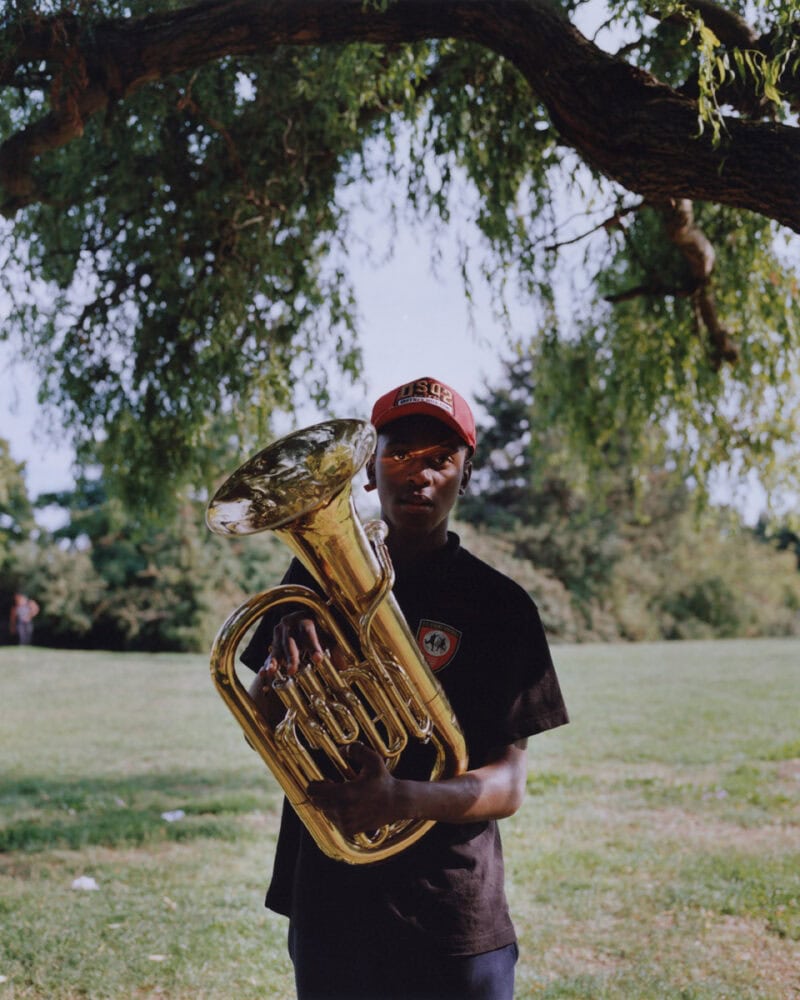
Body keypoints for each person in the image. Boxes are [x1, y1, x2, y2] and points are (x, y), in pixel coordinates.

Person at [241, 376, 569, 1000]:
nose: (419, 474)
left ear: (466, 476)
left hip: (450, 910)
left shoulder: (501, 606)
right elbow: (262, 724)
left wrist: (400, 797)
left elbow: (508, 785)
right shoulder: (308, 580)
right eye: (398, 454)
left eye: (440, 459)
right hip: (330, 895)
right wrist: (283, 668)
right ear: (368, 473)